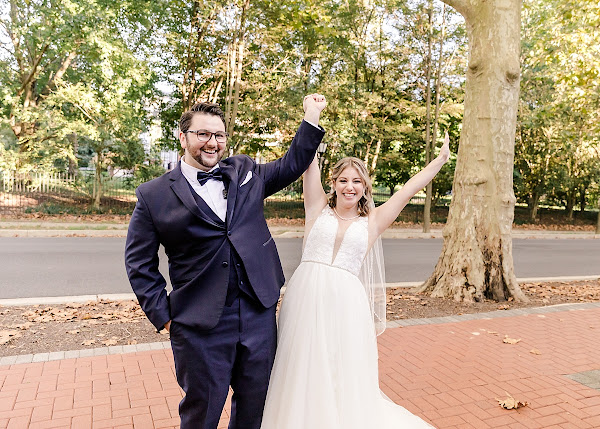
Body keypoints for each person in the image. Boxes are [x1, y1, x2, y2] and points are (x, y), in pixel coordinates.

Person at [124, 94, 327, 429]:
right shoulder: (154, 195)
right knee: (201, 413)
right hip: (199, 324)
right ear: (183, 137)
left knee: (256, 408)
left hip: (258, 314)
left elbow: (293, 162)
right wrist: (165, 317)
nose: (212, 142)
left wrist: (311, 115)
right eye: (203, 134)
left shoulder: (245, 172)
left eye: (218, 136)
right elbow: (139, 263)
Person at [260, 132, 451, 429]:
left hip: (346, 303)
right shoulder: (316, 207)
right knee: (300, 362)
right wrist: (312, 118)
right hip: (305, 296)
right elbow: (307, 161)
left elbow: (407, 191)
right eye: (344, 180)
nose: (350, 187)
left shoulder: (373, 222)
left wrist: (439, 161)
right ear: (334, 184)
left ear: (364, 188)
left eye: (357, 182)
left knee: (339, 366)